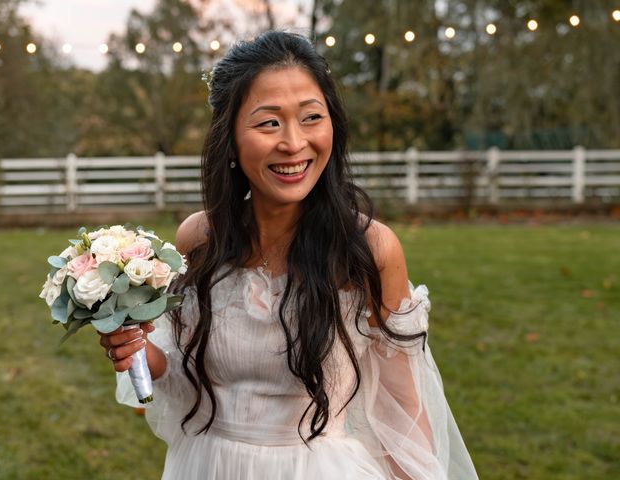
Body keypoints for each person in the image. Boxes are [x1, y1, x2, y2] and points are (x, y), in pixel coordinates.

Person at [98, 31, 479, 479]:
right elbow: (185, 377)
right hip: (206, 465)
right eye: (269, 123)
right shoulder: (199, 239)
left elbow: (404, 415)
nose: (294, 143)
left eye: (311, 117)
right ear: (231, 139)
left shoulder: (369, 249)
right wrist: (139, 349)